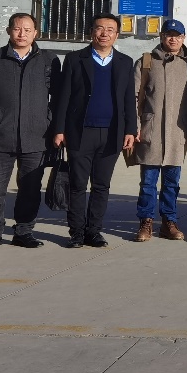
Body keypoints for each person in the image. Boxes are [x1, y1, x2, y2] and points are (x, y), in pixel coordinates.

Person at [0, 13, 62, 250]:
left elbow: (59, 97)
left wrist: (47, 120)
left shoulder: (49, 60)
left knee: (30, 190)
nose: (22, 34)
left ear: (36, 33)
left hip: (36, 138)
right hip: (0, 138)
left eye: (27, 30)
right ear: (9, 30)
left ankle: (24, 232)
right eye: (17, 29)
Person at [52, 13, 137, 248]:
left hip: (111, 133)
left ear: (117, 35)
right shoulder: (75, 59)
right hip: (80, 132)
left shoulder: (125, 62)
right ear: (91, 32)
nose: (104, 33)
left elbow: (129, 99)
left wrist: (130, 129)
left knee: (101, 186)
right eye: (99, 28)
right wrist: (59, 129)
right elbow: (63, 97)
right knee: (78, 185)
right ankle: (76, 233)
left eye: (110, 30)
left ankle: (94, 232)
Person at [130, 19, 187, 242]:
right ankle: (146, 222)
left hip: (177, 133)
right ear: (161, 36)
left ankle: (169, 222)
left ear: (183, 38)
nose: (173, 39)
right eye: (169, 35)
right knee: (148, 183)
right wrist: (135, 127)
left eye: (177, 36)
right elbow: (133, 97)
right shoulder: (146, 62)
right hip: (150, 131)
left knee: (172, 183)